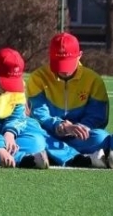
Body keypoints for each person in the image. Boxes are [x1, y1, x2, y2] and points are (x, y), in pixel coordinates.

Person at [27, 32, 111, 168]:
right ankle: (78, 158)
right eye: (59, 63)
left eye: (68, 63)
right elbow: (37, 114)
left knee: (102, 138)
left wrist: (81, 128)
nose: (63, 71)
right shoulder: (37, 78)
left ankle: (54, 155)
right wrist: (60, 126)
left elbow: (98, 117)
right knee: (32, 133)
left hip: (80, 138)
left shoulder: (94, 80)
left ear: (80, 56)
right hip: (48, 134)